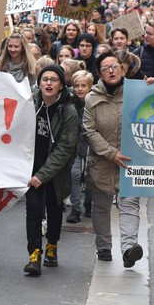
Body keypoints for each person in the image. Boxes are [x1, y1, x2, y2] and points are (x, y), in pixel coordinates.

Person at [85, 50, 152, 267]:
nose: (111, 70)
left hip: (131, 159)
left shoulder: (138, 91)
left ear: (122, 68)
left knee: (130, 203)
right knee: (101, 206)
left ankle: (129, 249)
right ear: (100, 73)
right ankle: (103, 246)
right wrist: (111, 153)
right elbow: (89, 131)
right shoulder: (91, 98)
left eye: (114, 66)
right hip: (103, 161)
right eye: (106, 68)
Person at [23, 65, 78, 276]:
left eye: (54, 80)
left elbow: (66, 148)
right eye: (45, 79)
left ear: (61, 85)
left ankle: (52, 246)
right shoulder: (30, 102)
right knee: (34, 209)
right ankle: (34, 255)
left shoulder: (68, 111)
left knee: (54, 210)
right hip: (31, 166)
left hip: (56, 172)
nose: (48, 83)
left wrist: (43, 175)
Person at [66, 70, 94, 223]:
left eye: (84, 85)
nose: (80, 89)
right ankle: (76, 209)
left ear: (90, 87)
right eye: (77, 85)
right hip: (74, 144)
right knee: (74, 175)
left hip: (91, 144)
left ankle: (88, 203)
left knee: (89, 176)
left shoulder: (94, 102)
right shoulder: (69, 102)